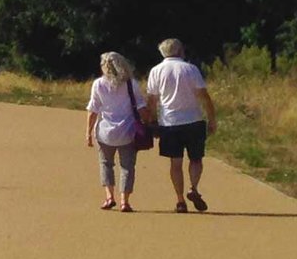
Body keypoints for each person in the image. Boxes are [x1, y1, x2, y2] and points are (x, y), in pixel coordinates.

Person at [147, 37, 216, 213]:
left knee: (175, 162)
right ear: (180, 51)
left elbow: (152, 101)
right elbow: (204, 96)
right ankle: (193, 188)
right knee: (196, 158)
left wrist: (152, 121)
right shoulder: (191, 69)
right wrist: (212, 118)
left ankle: (179, 200)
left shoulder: (156, 71)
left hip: (170, 122)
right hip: (193, 120)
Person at [84, 51, 150, 212]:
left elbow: (93, 110)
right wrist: (148, 121)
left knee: (106, 164)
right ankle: (124, 201)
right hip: (127, 132)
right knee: (127, 166)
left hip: (105, 132)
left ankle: (109, 196)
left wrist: (88, 132)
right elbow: (141, 107)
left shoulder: (98, 84)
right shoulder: (131, 84)